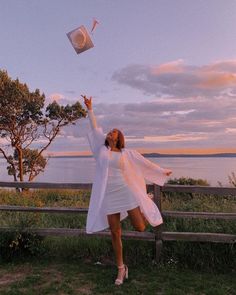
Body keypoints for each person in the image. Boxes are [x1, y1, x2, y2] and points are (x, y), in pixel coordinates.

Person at [82, 95, 172, 285]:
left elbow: (144, 164)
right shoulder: (101, 150)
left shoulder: (126, 153)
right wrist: (90, 109)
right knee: (115, 233)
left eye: (114, 132)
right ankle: (121, 269)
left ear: (119, 138)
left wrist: (161, 171)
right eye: (110, 131)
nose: (110, 132)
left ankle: (143, 203)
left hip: (125, 191)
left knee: (140, 227)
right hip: (109, 195)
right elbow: (94, 128)